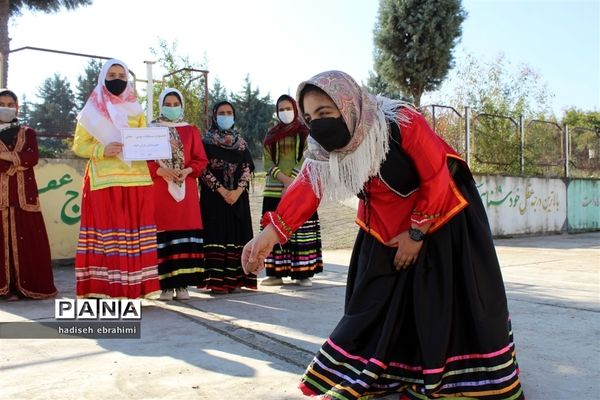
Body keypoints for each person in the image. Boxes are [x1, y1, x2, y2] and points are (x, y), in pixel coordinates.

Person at [242, 71, 524, 399]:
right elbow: (308, 186)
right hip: (381, 225)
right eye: (309, 118)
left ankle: (447, 375)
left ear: (347, 103)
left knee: (437, 300)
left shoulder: (400, 121)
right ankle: (381, 370)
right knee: (371, 302)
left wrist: (416, 235)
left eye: (324, 113)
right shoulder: (322, 149)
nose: (316, 124)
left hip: (441, 216)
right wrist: (267, 237)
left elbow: (436, 176)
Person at [72, 59, 160, 299]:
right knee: (108, 237)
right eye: (112, 75)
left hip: (138, 182)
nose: (117, 79)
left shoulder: (136, 108)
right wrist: (102, 150)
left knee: (135, 237)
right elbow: (79, 145)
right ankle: (105, 289)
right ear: (103, 78)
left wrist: (157, 146)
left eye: (121, 74)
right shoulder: (91, 110)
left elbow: (145, 142)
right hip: (104, 182)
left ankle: (135, 290)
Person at [149, 88, 208, 301]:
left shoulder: (190, 130)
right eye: (168, 104)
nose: (172, 108)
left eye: (176, 104)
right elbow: (143, 159)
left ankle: (183, 285)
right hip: (160, 189)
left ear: (181, 106)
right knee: (163, 234)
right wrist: (160, 171)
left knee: (184, 233)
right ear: (160, 105)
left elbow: (201, 159)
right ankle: (165, 286)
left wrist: (188, 170)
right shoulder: (151, 129)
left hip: (187, 189)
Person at [0, 89, 57, 300]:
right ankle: (5, 289)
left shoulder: (27, 132)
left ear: (17, 107)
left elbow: (32, 157)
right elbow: (22, 159)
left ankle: (27, 287)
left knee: (29, 242)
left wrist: (6, 156)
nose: (6, 108)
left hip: (24, 196)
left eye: (10, 104)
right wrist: (17, 159)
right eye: (2, 103)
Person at [260, 95, 322, 287]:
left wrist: (293, 180)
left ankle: (304, 274)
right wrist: (285, 180)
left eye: (288, 108)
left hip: (301, 188)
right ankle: (275, 274)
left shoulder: (305, 132)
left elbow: (307, 156)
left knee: (301, 230)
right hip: (274, 190)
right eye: (281, 109)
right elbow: (267, 161)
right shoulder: (271, 135)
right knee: (273, 230)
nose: (284, 112)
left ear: (295, 109)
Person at [199, 101, 256, 294]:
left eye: (229, 112)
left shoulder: (241, 143)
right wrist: (223, 191)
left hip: (238, 199)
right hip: (214, 199)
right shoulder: (206, 142)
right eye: (221, 113)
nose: (225, 116)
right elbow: (203, 170)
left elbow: (247, 168)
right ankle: (217, 282)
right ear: (215, 116)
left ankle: (238, 279)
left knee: (238, 235)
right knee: (217, 235)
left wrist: (237, 191)